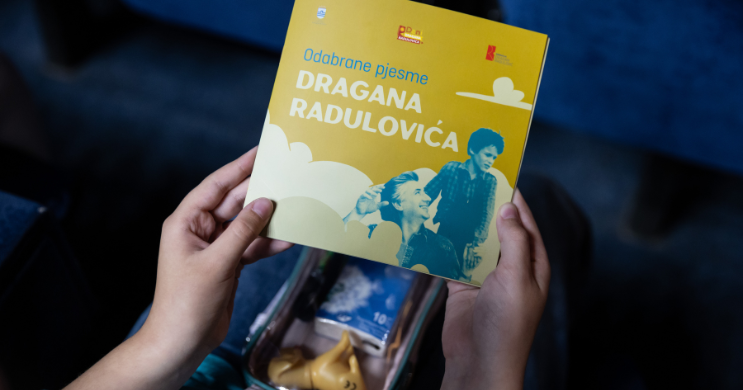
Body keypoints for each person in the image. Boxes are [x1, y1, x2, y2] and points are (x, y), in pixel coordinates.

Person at [63, 148, 551, 390]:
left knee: (287, 243)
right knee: (548, 204)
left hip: (203, 371)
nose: (425, 197)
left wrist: (167, 341)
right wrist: (481, 373)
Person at [343, 171, 468, 281]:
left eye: (424, 192)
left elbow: (448, 288)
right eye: (418, 193)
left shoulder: (443, 247)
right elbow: (338, 242)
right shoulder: (371, 233)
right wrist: (358, 213)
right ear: (398, 204)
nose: (428, 198)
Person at [425, 128, 504, 271]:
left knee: (457, 272)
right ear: (473, 149)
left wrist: (477, 242)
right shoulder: (451, 168)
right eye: (487, 155)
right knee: (434, 266)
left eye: (494, 158)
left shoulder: (489, 181)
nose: (490, 161)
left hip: (469, 239)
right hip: (444, 231)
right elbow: (427, 195)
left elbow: (487, 213)